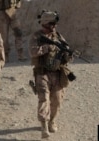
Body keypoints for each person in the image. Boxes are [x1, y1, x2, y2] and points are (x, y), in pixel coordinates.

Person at [28, 10, 73, 138]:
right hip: (42, 73)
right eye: (52, 23)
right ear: (46, 23)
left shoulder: (58, 36)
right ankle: (44, 125)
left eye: (55, 24)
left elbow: (66, 53)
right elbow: (32, 52)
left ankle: (52, 120)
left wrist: (68, 54)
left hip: (57, 73)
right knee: (43, 99)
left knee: (57, 100)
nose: (54, 26)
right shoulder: (36, 36)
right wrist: (47, 48)